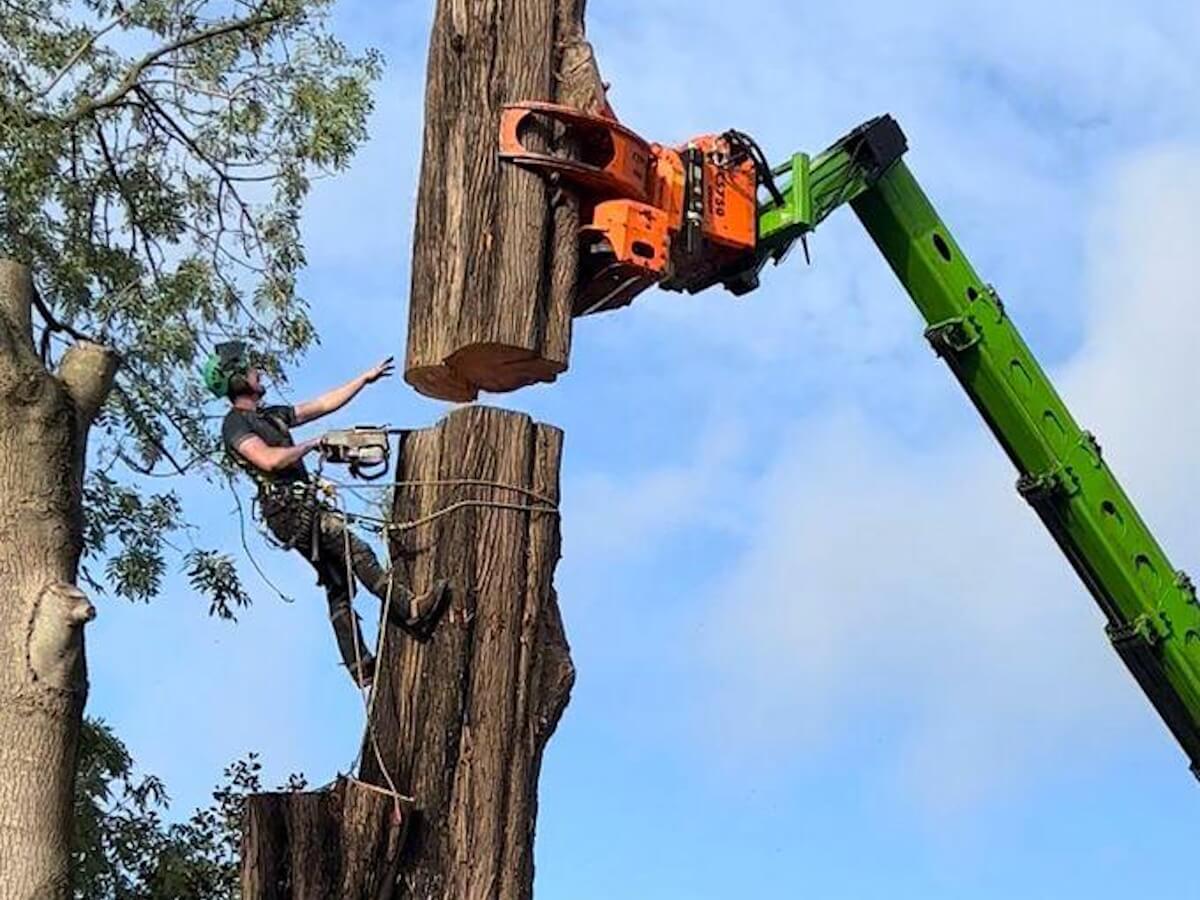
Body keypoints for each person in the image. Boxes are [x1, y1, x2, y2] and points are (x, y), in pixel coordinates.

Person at [204, 341, 448, 687]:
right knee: (355, 550)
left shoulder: (271, 415)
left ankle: (360, 665)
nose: (258, 373)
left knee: (339, 580)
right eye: (250, 370)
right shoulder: (234, 424)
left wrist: (363, 380)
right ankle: (408, 609)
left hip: (300, 506)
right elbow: (268, 460)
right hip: (288, 510)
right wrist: (311, 444)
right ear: (237, 380)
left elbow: (320, 405)